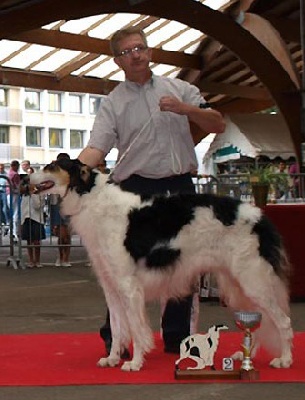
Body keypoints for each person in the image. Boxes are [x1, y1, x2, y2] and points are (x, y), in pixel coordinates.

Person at [78, 27, 225, 355]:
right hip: (135, 190)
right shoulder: (113, 103)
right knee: (122, 268)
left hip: (179, 187)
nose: (136, 55)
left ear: (151, 52)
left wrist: (186, 110)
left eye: (140, 48)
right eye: (127, 51)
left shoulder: (182, 88)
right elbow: (96, 148)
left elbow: (217, 123)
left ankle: (179, 338)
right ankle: (119, 338)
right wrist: (74, 171)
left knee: (185, 264)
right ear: (117, 61)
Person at [20, 166, 46, 268]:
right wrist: (21, 220)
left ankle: (37, 260)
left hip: (36, 218)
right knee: (29, 240)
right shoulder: (24, 194)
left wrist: (33, 193)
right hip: (26, 217)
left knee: (36, 240)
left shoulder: (40, 193)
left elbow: (37, 206)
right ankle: (31, 260)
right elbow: (23, 207)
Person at [49, 153, 72, 267]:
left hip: (69, 206)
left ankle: (66, 257)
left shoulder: (71, 174)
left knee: (67, 234)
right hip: (57, 205)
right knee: (60, 234)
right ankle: (60, 256)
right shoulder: (54, 174)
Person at [6, 160, 21, 242]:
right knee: (15, 213)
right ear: (16, 166)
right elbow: (17, 186)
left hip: (8, 194)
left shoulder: (8, 173)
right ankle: (15, 232)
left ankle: (11, 230)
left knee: (11, 213)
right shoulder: (15, 174)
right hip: (14, 194)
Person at [0, 163, 10, 232]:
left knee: (5, 208)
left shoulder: (6, 174)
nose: (0, 169)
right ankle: (1, 222)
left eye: (1, 168)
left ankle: (7, 222)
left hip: (4, 191)